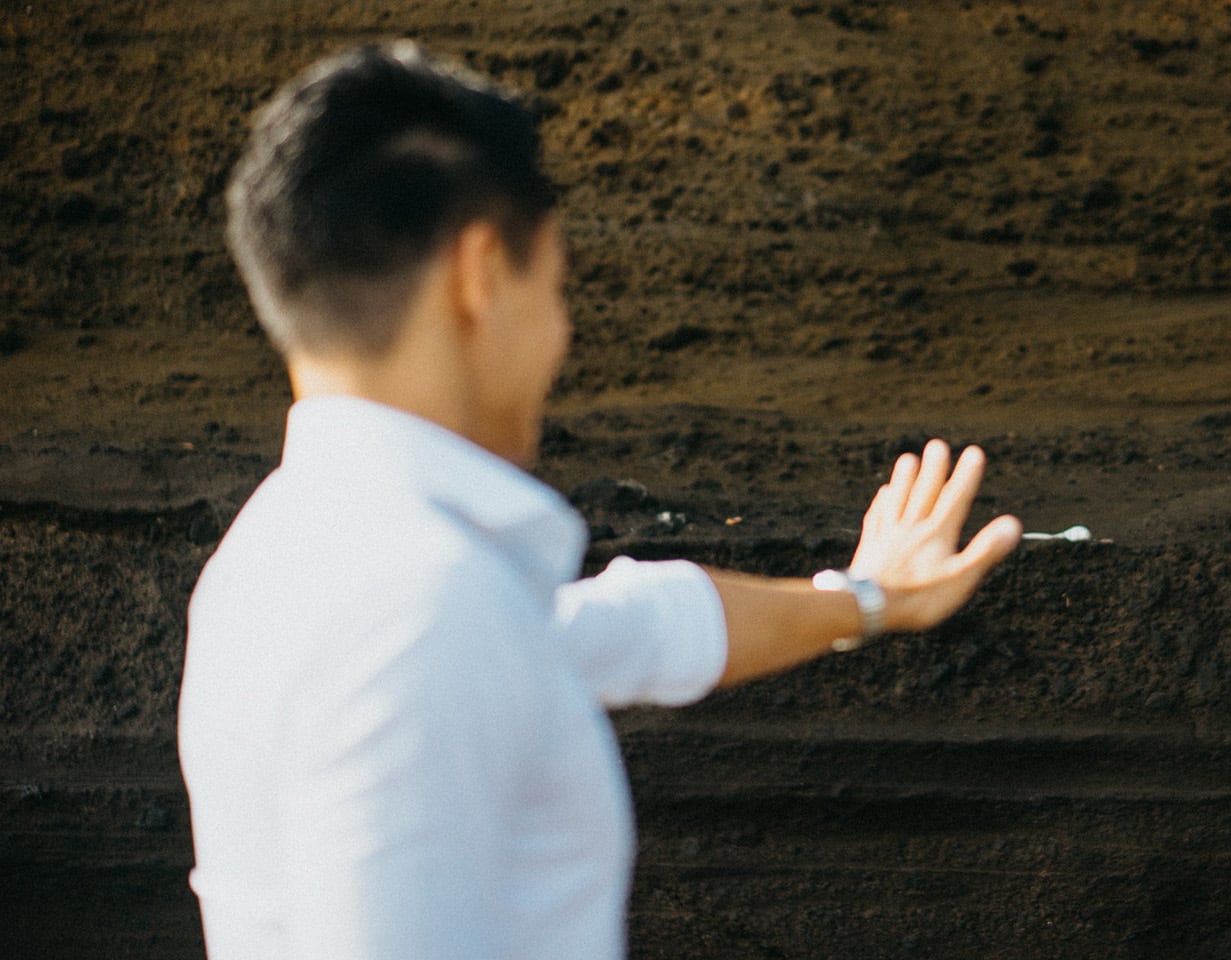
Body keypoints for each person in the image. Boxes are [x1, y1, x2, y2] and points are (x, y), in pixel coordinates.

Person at [177, 42, 1023, 959]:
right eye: (557, 286)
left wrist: (868, 598)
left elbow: (629, 627)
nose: (562, 333)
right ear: (479, 278)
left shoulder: (286, 554)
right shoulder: (422, 610)